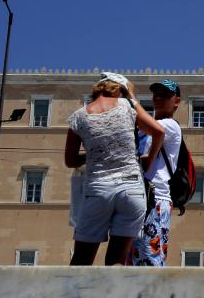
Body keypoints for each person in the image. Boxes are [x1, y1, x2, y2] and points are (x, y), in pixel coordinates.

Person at [64, 72, 165, 266]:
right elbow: (158, 131)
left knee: (81, 260)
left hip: (98, 189)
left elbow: (71, 160)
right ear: (121, 90)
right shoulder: (127, 106)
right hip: (132, 189)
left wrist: (96, 153)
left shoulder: (78, 117)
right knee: (117, 263)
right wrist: (148, 161)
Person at [127, 79, 183, 266]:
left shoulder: (170, 126)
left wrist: (131, 97)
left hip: (156, 198)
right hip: (139, 196)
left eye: (165, 95)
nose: (158, 98)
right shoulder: (150, 125)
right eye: (156, 95)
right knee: (132, 260)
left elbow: (141, 122)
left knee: (149, 258)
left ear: (176, 101)